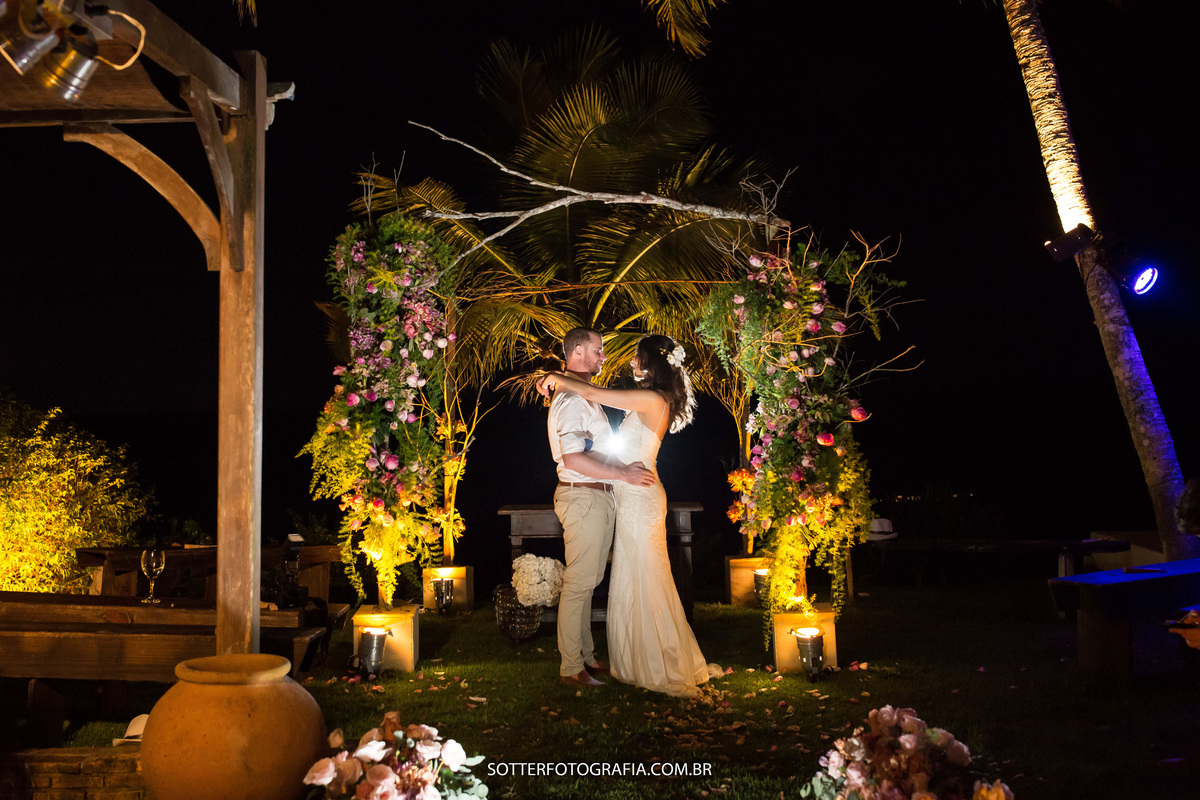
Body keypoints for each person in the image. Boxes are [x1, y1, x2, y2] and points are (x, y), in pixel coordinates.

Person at [542, 333, 717, 698]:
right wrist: (560, 380)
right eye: (599, 350)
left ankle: (649, 658)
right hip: (619, 495)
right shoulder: (640, 398)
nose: (622, 360)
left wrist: (556, 377)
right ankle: (584, 662)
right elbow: (578, 450)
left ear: (652, 363)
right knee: (615, 577)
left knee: (642, 576)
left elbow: (595, 394)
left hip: (636, 498)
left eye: (637, 357)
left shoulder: (650, 398)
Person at [546, 327, 655, 689]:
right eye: (597, 350)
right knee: (579, 583)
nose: (603, 356)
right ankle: (570, 668)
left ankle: (586, 658)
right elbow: (574, 458)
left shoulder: (581, 394)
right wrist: (622, 472)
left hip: (595, 496)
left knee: (588, 580)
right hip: (582, 495)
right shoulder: (572, 399)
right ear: (577, 351)